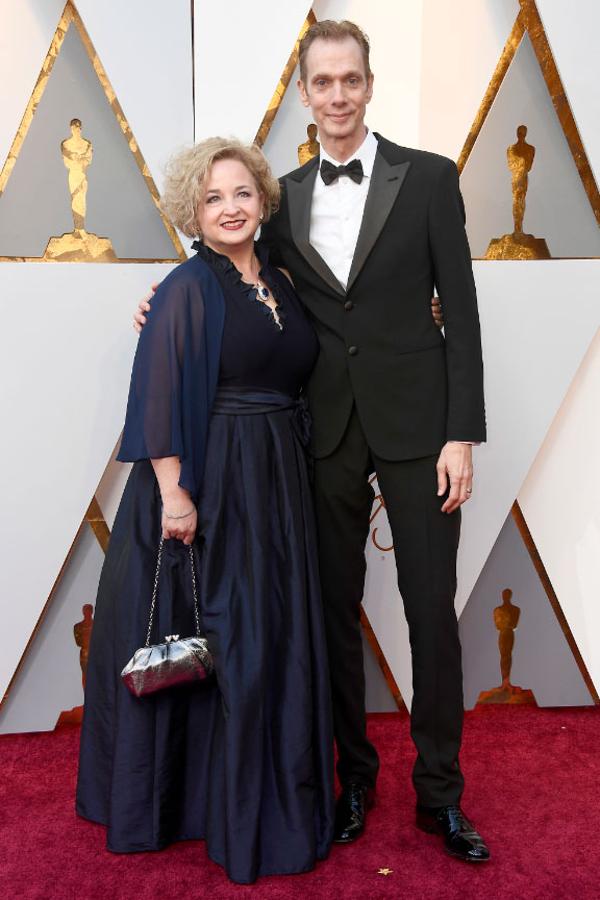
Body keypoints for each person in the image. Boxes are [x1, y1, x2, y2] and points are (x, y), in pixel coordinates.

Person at [135, 19, 489, 864]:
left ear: (370, 85)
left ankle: (440, 795)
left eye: (350, 81)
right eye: (321, 83)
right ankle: (353, 781)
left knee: (431, 615)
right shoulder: (280, 194)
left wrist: (461, 433)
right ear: (305, 93)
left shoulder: (432, 179)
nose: (336, 96)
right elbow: (226, 267)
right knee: (330, 615)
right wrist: (158, 302)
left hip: (417, 428)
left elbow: (464, 316)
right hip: (319, 431)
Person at [76, 138, 334, 885]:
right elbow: (156, 388)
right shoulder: (187, 286)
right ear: (194, 209)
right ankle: (206, 806)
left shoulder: (282, 282)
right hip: (211, 484)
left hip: (279, 480)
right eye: (214, 197)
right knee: (224, 641)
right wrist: (174, 493)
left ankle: (264, 792)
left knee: (267, 641)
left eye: (243, 193)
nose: (230, 207)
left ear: (263, 203)